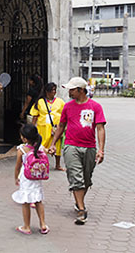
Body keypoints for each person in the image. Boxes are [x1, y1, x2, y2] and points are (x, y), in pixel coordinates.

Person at [47, 77, 106, 226]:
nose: (69, 92)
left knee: (86, 179)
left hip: (90, 147)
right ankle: (81, 209)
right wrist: (53, 144)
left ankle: (78, 201)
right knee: (76, 177)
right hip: (71, 146)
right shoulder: (68, 107)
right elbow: (61, 126)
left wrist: (101, 150)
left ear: (80, 90)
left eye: (72, 89)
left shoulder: (95, 106)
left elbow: (100, 128)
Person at [13, 123, 50, 235]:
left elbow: (18, 167)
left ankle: (26, 226)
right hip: (37, 178)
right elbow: (47, 153)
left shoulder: (22, 150)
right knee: (38, 201)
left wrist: (16, 178)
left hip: (26, 178)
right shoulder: (41, 148)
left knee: (25, 202)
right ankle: (43, 224)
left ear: (24, 138)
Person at [29, 82, 64, 171]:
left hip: (55, 128)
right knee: (41, 146)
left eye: (55, 90)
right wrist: (32, 129)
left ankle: (57, 164)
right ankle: (39, 163)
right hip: (43, 128)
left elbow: (64, 115)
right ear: (47, 91)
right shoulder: (40, 102)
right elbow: (35, 116)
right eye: (52, 90)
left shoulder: (60, 102)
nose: (54, 92)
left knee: (57, 146)